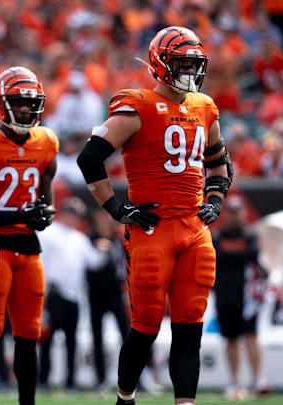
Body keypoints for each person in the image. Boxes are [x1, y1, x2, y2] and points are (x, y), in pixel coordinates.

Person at [76, 26, 233, 405]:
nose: (190, 72)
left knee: (189, 327)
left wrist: (214, 198)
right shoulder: (138, 105)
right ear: (160, 65)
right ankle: (125, 398)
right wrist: (116, 209)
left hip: (194, 230)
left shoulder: (203, 107)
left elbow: (219, 163)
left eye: (195, 64)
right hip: (153, 230)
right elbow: (90, 157)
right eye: (182, 63)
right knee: (145, 326)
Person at [0, 66, 58, 405]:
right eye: (18, 102)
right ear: (1, 104)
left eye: (29, 102)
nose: (24, 109)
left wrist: (41, 215)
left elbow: (45, 206)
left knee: (29, 334)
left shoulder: (47, 142)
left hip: (29, 249)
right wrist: (20, 215)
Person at [37, 197, 110, 389]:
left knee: (71, 341)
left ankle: (70, 380)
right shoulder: (49, 233)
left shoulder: (80, 238)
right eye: (72, 214)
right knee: (47, 340)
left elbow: (94, 263)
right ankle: (43, 379)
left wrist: (103, 249)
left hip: (74, 295)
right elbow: (40, 262)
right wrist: (41, 292)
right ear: (64, 213)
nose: (75, 218)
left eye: (77, 215)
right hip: (53, 293)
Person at [211, 196, 268, 399]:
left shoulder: (250, 236)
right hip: (225, 295)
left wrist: (232, 253)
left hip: (248, 298)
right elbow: (217, 256)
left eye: (238, 211)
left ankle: (257, 379)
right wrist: (238, 253)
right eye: (231, 212)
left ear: (244, 213)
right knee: (231, 339)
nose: (235, 216)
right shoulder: (217, 237)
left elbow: (253, 254)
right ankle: (234, 382)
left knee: (251, 336)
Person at [86, 210, 131, 392]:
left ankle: (133, 377)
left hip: (116, 293)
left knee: (127, 335)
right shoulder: (90, 239)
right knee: (97, 337)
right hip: (96, 294)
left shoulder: (120, 238)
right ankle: (101, 379)